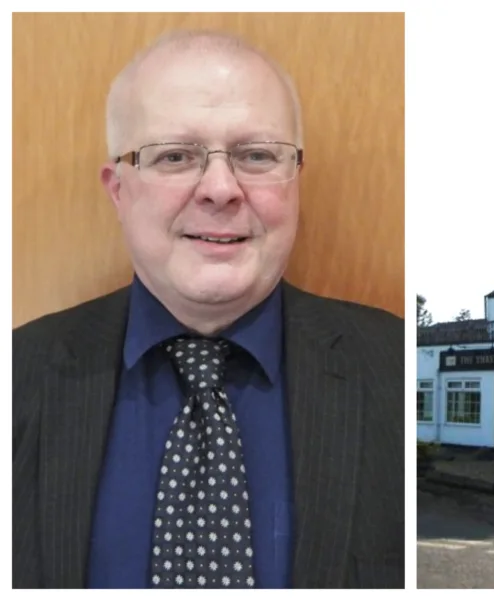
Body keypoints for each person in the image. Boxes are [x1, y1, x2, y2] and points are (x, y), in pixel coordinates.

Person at [12, 30, 404, 589]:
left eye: (257, 155)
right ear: (118, 190)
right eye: (175, 156)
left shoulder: (396, 369)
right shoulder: (16, 378)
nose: (221, 188)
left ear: (295, 183)